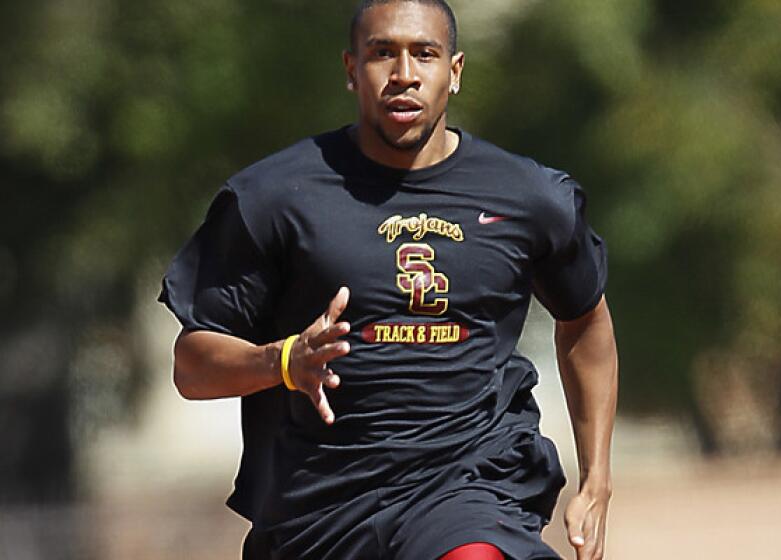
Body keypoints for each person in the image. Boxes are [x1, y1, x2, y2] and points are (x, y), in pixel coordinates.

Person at [158, 0, 618, 558]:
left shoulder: (528, 197)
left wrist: (596, 476)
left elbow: (584, 321)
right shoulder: (274, 197)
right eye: (383, 54)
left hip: (469, 481)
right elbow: (192, 364)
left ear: (455, 71)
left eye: (425, 54)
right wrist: (282, 361)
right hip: (319, 508)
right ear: (352, 69)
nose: (404, 75)